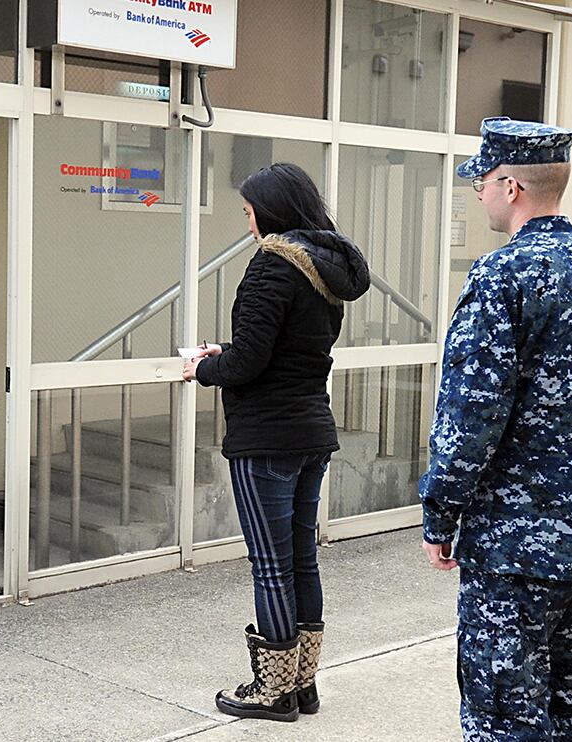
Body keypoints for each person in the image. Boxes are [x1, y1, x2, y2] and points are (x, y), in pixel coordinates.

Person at [419, 118, 572, 741]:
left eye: (483, 182)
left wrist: (440, 516)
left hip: (514, 554)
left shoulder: (502, 278)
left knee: (505, 724)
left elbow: (470, 416)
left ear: (511, 186)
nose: (480, 193)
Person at [185, 163, 370, 722]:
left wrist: (203, 368)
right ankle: (303, 686)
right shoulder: (324, 268)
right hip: (312, 430)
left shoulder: (272, 266)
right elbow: (287, 351)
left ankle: (272, 693)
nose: (248, 225)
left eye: (248, 213)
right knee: (301, 562)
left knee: (270, 567)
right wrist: (230, 354)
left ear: (271, 211)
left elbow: (251, 361)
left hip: (266, 437)